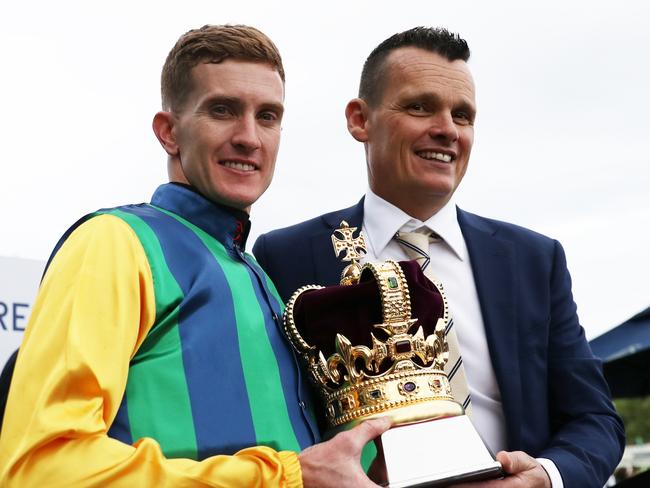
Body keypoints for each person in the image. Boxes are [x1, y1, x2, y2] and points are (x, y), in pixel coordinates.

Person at [0, 24, 390, 487]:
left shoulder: (258, 275)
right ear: (169, 132)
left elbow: (318, 468)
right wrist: (283, 477)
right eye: (223, 110)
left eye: (267, 116)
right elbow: (41, 467)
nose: (249, 137)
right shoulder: (113, 241)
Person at [253, 27, 625, 487]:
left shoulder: (533, 260)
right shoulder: (286, 255)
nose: (447, 129)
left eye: (463, 115)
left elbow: (596, 420)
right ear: (359, 120)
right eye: (420, 106)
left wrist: (542, 478)